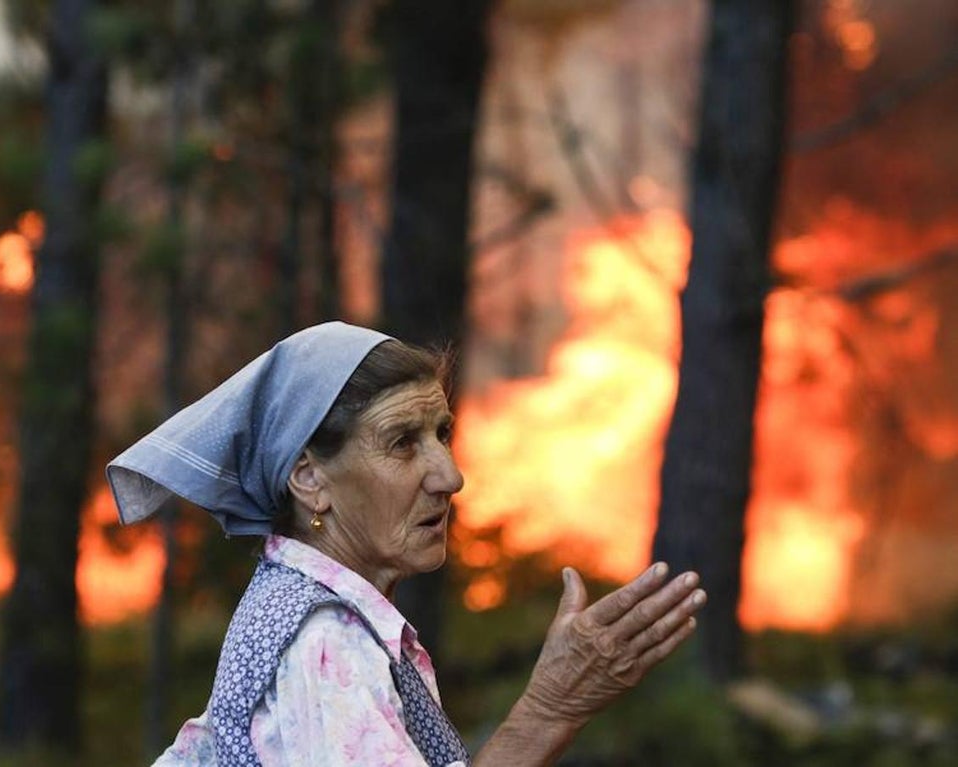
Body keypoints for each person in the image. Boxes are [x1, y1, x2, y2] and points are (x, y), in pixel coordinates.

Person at [107, 321, 706, 767]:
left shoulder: (311, 612)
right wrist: (552, 707)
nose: (449, 476)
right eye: (402, 442)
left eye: (442, 433)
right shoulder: (321, 645)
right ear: (309, 479)